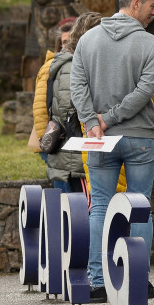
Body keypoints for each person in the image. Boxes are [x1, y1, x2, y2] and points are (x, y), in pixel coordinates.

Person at [70, 0, 154, 302]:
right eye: (152, 5)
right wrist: (108, 118)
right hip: (138, 136)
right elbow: (144, 92)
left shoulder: (88, 40)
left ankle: (97, 281)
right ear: (136, 3)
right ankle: (138, 279)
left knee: (99, 208)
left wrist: (91, 121)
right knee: (140, 207)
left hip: (98, 138)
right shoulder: (150, 43)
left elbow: (77, 84)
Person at [45, 12, 101, 193]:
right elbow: (71, 112)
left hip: (76, 157)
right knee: (84, 213)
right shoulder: (73, 66)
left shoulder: (71, 63)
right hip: (77, 159)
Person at [31, 17, 75, 184]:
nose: (67, 45)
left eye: (71, 41)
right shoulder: (50, 66)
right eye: (64, 42)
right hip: (55, 138)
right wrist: (46, 140)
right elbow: (41, 107)